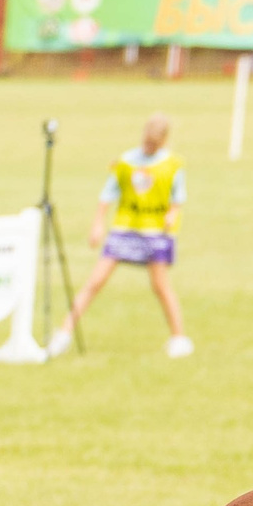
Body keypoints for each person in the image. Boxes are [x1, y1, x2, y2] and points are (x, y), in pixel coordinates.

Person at [49, 113, 192, 358]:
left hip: (155, 232)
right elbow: (107, 195)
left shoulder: (173, 164)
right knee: (95, 282)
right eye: (146, 142)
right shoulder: (126, 162)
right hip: (125, 229)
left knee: (160, 286)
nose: (149, 147)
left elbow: (177, 198)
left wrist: (172, 214)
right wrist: (98, 224)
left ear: (163, 141)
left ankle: (179, 338)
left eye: (154, 144)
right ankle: (64, 333)